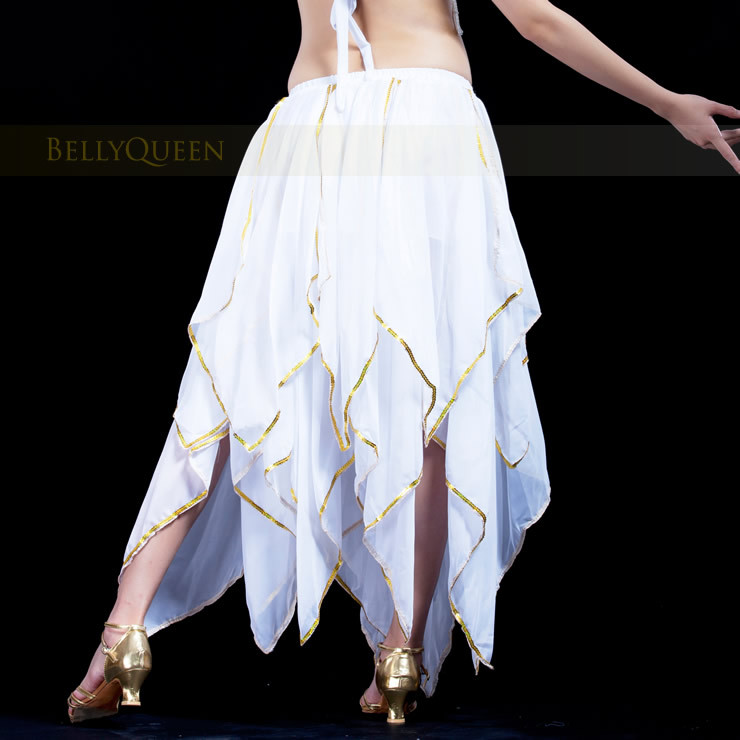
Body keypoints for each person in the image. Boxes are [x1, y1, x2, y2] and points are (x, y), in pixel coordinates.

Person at [66, 0, 740, 727]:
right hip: (424, 124)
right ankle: (402, 652)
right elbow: (535, 20)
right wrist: (667, 102)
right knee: (429, 385)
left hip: (307, 127)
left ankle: (122, 633)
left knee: (237, 379)